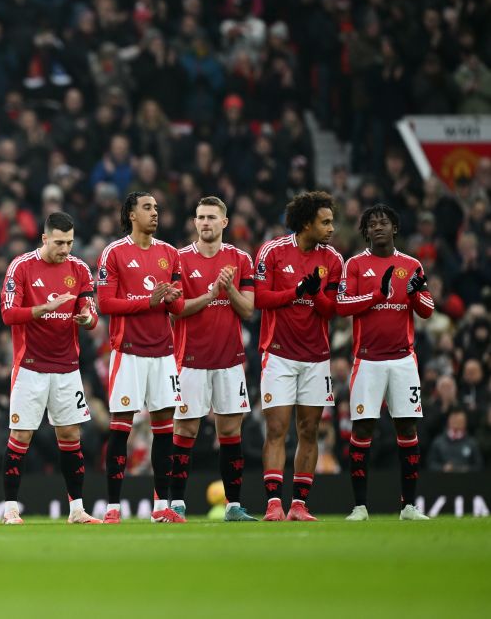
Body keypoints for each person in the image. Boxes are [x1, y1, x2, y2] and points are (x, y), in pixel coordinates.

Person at [0, 211, 99, 525]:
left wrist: (86, 319)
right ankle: (11, 509)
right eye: (59, 242)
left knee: (71, 435)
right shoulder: (22, 266)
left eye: (69, 242)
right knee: (21, 436)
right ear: (44, 238)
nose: (65, 248)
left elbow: (91, 313)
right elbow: (8, 314)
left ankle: (77, 509)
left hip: (67, 366)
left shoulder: (79, 269)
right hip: (30, 366)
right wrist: (45, 308)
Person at [337, 203, 433, 520]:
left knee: (406, 428)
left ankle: (408, 506)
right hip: (367, 360)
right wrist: (377, 293)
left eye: (384, 222)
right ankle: (360, 506)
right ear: (365, 231)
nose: (378, 227)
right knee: (362, 430)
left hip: (403, 360)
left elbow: (427, 310)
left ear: (395, 228)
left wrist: (416, 294)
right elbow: (342, 304)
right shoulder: (354, 265)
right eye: (372, 223)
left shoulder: (412, 264)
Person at [254, 191, 344, 521]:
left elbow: (332, 309)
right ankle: (274, 503)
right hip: (278, 354)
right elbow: (260, 299)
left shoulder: (333, 259)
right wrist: (296, 292)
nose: (332, 228)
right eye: (326, 222)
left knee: (309, 431)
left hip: (316, 356)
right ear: (307, 224)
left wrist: (315, 293)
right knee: (277, 430)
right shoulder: (273, 252)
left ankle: (299, 505)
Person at [96, 192, 184, 523]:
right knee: (121, 429)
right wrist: (148, 301)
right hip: (128, 351)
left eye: (157, 208)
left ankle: (162, 506)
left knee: (164, 430)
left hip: (163, 352)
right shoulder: (114, 253)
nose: (154, 213)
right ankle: (113, 508)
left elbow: (175, 304)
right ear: (131, 215)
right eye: (147, 208)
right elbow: (106, 304)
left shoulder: (169, 254)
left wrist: (172, 298)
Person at [169, 197, 257, 521]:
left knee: (231, 432)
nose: (205, 223)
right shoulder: (178, 259)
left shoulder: (240, 259)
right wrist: (209, 295)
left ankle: (233, 506)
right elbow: (175, 311)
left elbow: (248, 309)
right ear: (195, 222)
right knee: (186, 430)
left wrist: (228, 289)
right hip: (190, 358)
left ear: (224, 222)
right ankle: (176, 504)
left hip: (229, 358)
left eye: (211, 217)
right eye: (200, 217)